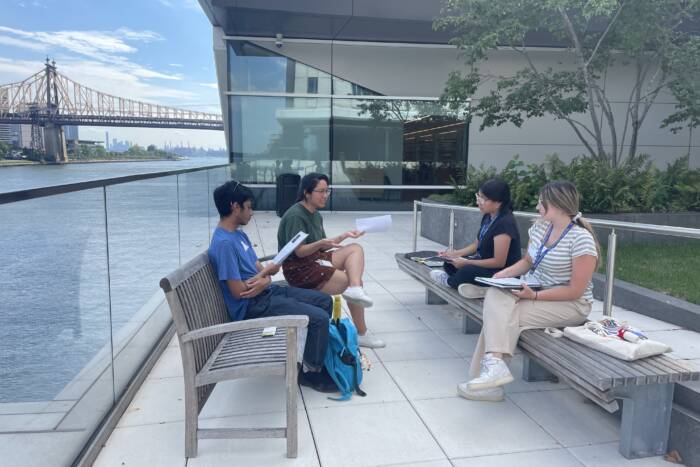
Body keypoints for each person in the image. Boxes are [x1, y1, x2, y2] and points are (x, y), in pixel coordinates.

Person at [458, 180, 600, 402]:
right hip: (536, 291)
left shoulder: (581, 239)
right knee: (496, 294)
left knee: (503, 315)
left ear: (558, 205)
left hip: (570, 304)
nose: (537, 207)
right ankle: (493, 369)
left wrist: (533, 296)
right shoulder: (541, 228)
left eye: (541, 203)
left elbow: (575, 291)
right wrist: (504, 275)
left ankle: (488, 380)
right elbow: (528, 260)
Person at [208, 180, 336, 392]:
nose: (252, 213)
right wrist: (264, 278)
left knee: (324, 301)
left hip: (265, 293)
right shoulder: (224, 245)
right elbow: (240, 292)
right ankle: (311, 373)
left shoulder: (237, 235)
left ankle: (309, 355)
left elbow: (258, 268)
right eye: (249, 207)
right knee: (319, 318)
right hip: (253, 306)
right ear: (235, 207)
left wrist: (267, 273)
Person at [277, 173, 385, 349]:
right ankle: (361, 333)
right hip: (299, 268)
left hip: (314, 259)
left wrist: (345, 235)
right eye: (321, 191)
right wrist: (320, 243)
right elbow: (299, 251)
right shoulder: (296, 215)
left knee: (355, 248)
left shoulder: (316, 215)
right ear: (307, 193)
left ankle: (356, 290)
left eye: (328, 191)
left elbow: (323, 247)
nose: (325, 195)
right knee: (347, 281)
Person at [429, 179, 522, 298]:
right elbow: (477, 244)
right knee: (450, 263)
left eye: (483, 198)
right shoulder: (489, 216)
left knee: (467, 270)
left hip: (502, 272)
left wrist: (467, 262)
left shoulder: (505, 223)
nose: (478, 202)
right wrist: (454, 254)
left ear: (498, 202)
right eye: (478, 196)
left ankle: (450, 282)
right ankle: (479, 287)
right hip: (485, 265)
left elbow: (499, 262)